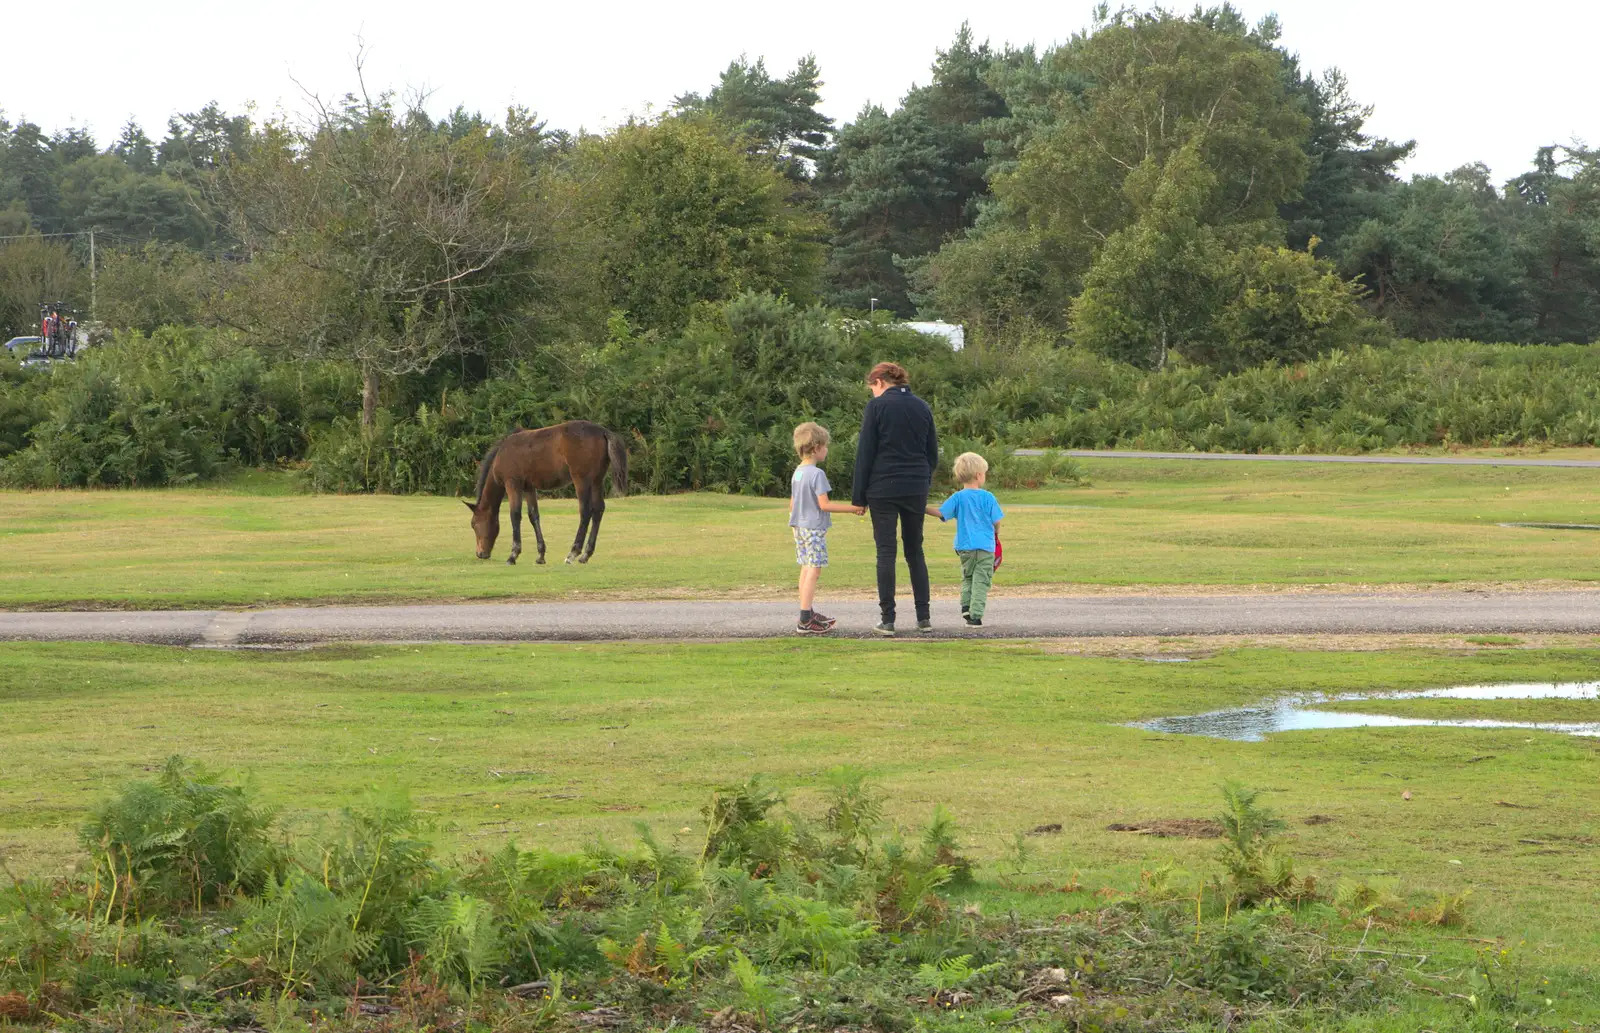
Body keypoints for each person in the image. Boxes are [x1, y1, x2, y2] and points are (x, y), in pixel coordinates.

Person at [851, 361, 938, 637]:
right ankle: (923, 617)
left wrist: (859, 496)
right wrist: (923, 482)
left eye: (871, 388)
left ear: (879, 381)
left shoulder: (877, 407)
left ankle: (888, 618)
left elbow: (866, 453)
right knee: (915, 551)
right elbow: (931, 452)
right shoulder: (922, 406)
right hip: (915, 486)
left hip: (882, 487)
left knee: (886, 552)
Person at [789, 422, 863, 635]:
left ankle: (807, 611)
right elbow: (824, 504)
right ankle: (805, 618)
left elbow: (792, 503)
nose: (827, 450)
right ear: (816, 448)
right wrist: (853, 508)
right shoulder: (816, 474)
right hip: (812, 528)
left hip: (798, 526)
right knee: (815, 569)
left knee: (805, 566)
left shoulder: (798, 472)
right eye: (825, 446)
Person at [927, 452, 1005, 626]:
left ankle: (965, 606)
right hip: (985, 546)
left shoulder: (957, 497)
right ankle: (976, 615)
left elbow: (941, 513)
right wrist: (996, 533)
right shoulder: (988, 497)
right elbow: (997, 521)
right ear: (978, 475)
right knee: (982, 579)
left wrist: (922, 507)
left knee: (968, 576)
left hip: (965, 547)